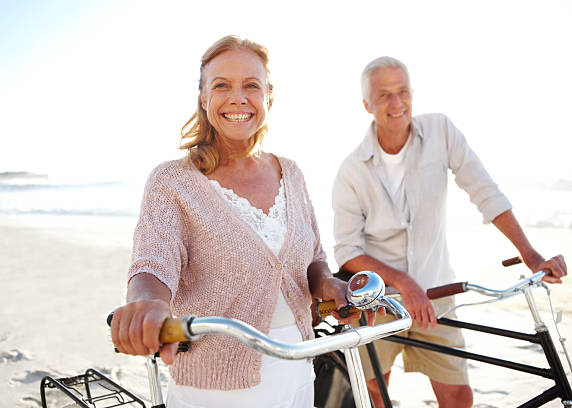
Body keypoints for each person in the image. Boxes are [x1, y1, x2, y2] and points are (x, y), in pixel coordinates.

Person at [110, 35, 362, 408]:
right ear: (204, 98)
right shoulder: (172, 181)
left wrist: (328, 285)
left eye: (251, 85)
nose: (238, 97)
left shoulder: (290, 172)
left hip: (298, 368)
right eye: (222, 85)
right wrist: (146, 303)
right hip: (215, 387)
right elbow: (152, 264)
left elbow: (313, 260)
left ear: (268, 99)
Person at [332, 56, 567, 408]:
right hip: (379, 304)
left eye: (402, 92)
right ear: (367, 104)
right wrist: (405, 284)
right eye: (384, 95)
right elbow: (347, 251)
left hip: (437, 294)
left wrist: (529, 253)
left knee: (458, 396)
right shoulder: (351, 170)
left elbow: (484, 191)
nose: (396, 104)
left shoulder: (440, 131)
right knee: (375, 393)